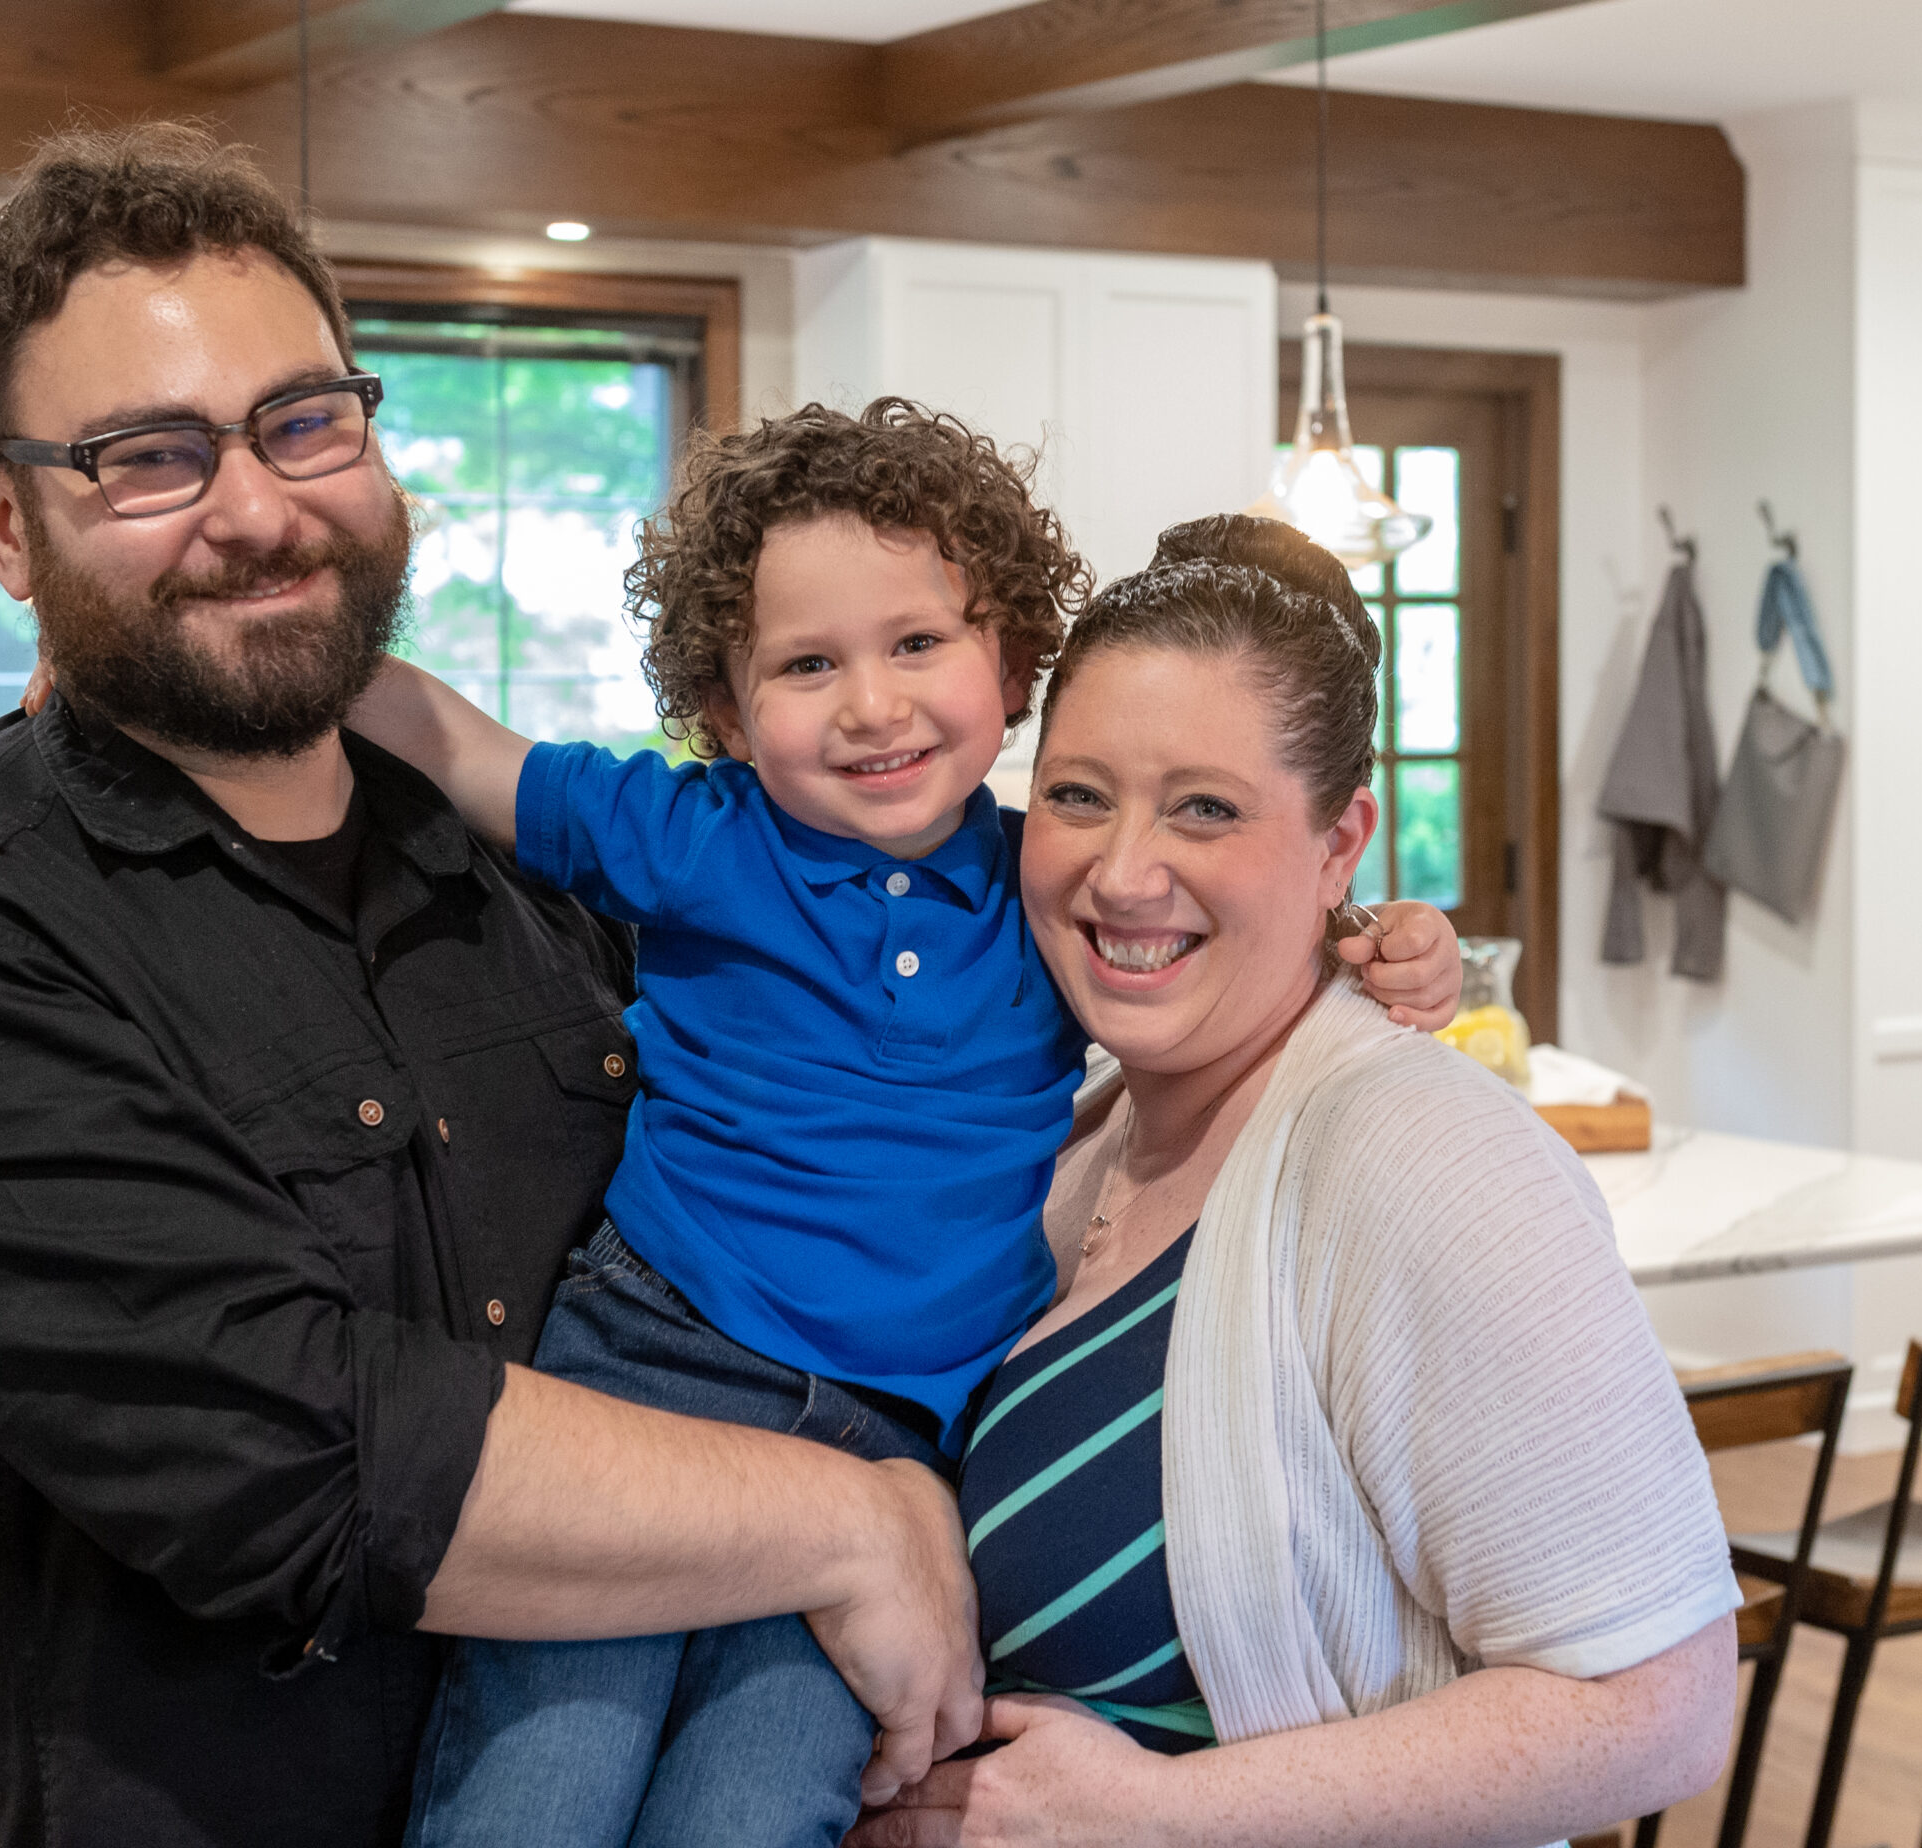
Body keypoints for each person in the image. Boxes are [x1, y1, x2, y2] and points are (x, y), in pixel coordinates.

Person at [0, 124, 992, 1848]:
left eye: (303, 420)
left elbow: (882, 1106)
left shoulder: (531, 881)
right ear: (2, 522)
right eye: (146, 454)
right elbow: (311, 1463)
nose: (258, 510)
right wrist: (858, 1515)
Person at [338, 408, 1464, 1847]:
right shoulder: (694, 834)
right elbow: (456, 745)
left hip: (898, 1448)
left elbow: (1231, 937)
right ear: (733, 714)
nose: (872, 705)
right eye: (809, 665)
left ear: (1011, 660)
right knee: (537, 1797)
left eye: (918, 644)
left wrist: (1385, 936)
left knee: (751, 1818)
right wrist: (249, 677)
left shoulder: (1050, 884)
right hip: (652, 1373)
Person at [848, 516, 1742, 1848]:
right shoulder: (1080, 1131)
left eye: (1206, 807)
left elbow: (1659, 1704)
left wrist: (1157, 1815)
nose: (1124, 870)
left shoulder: (1426, 1158)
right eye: (1080, 795)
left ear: (1341, 844)